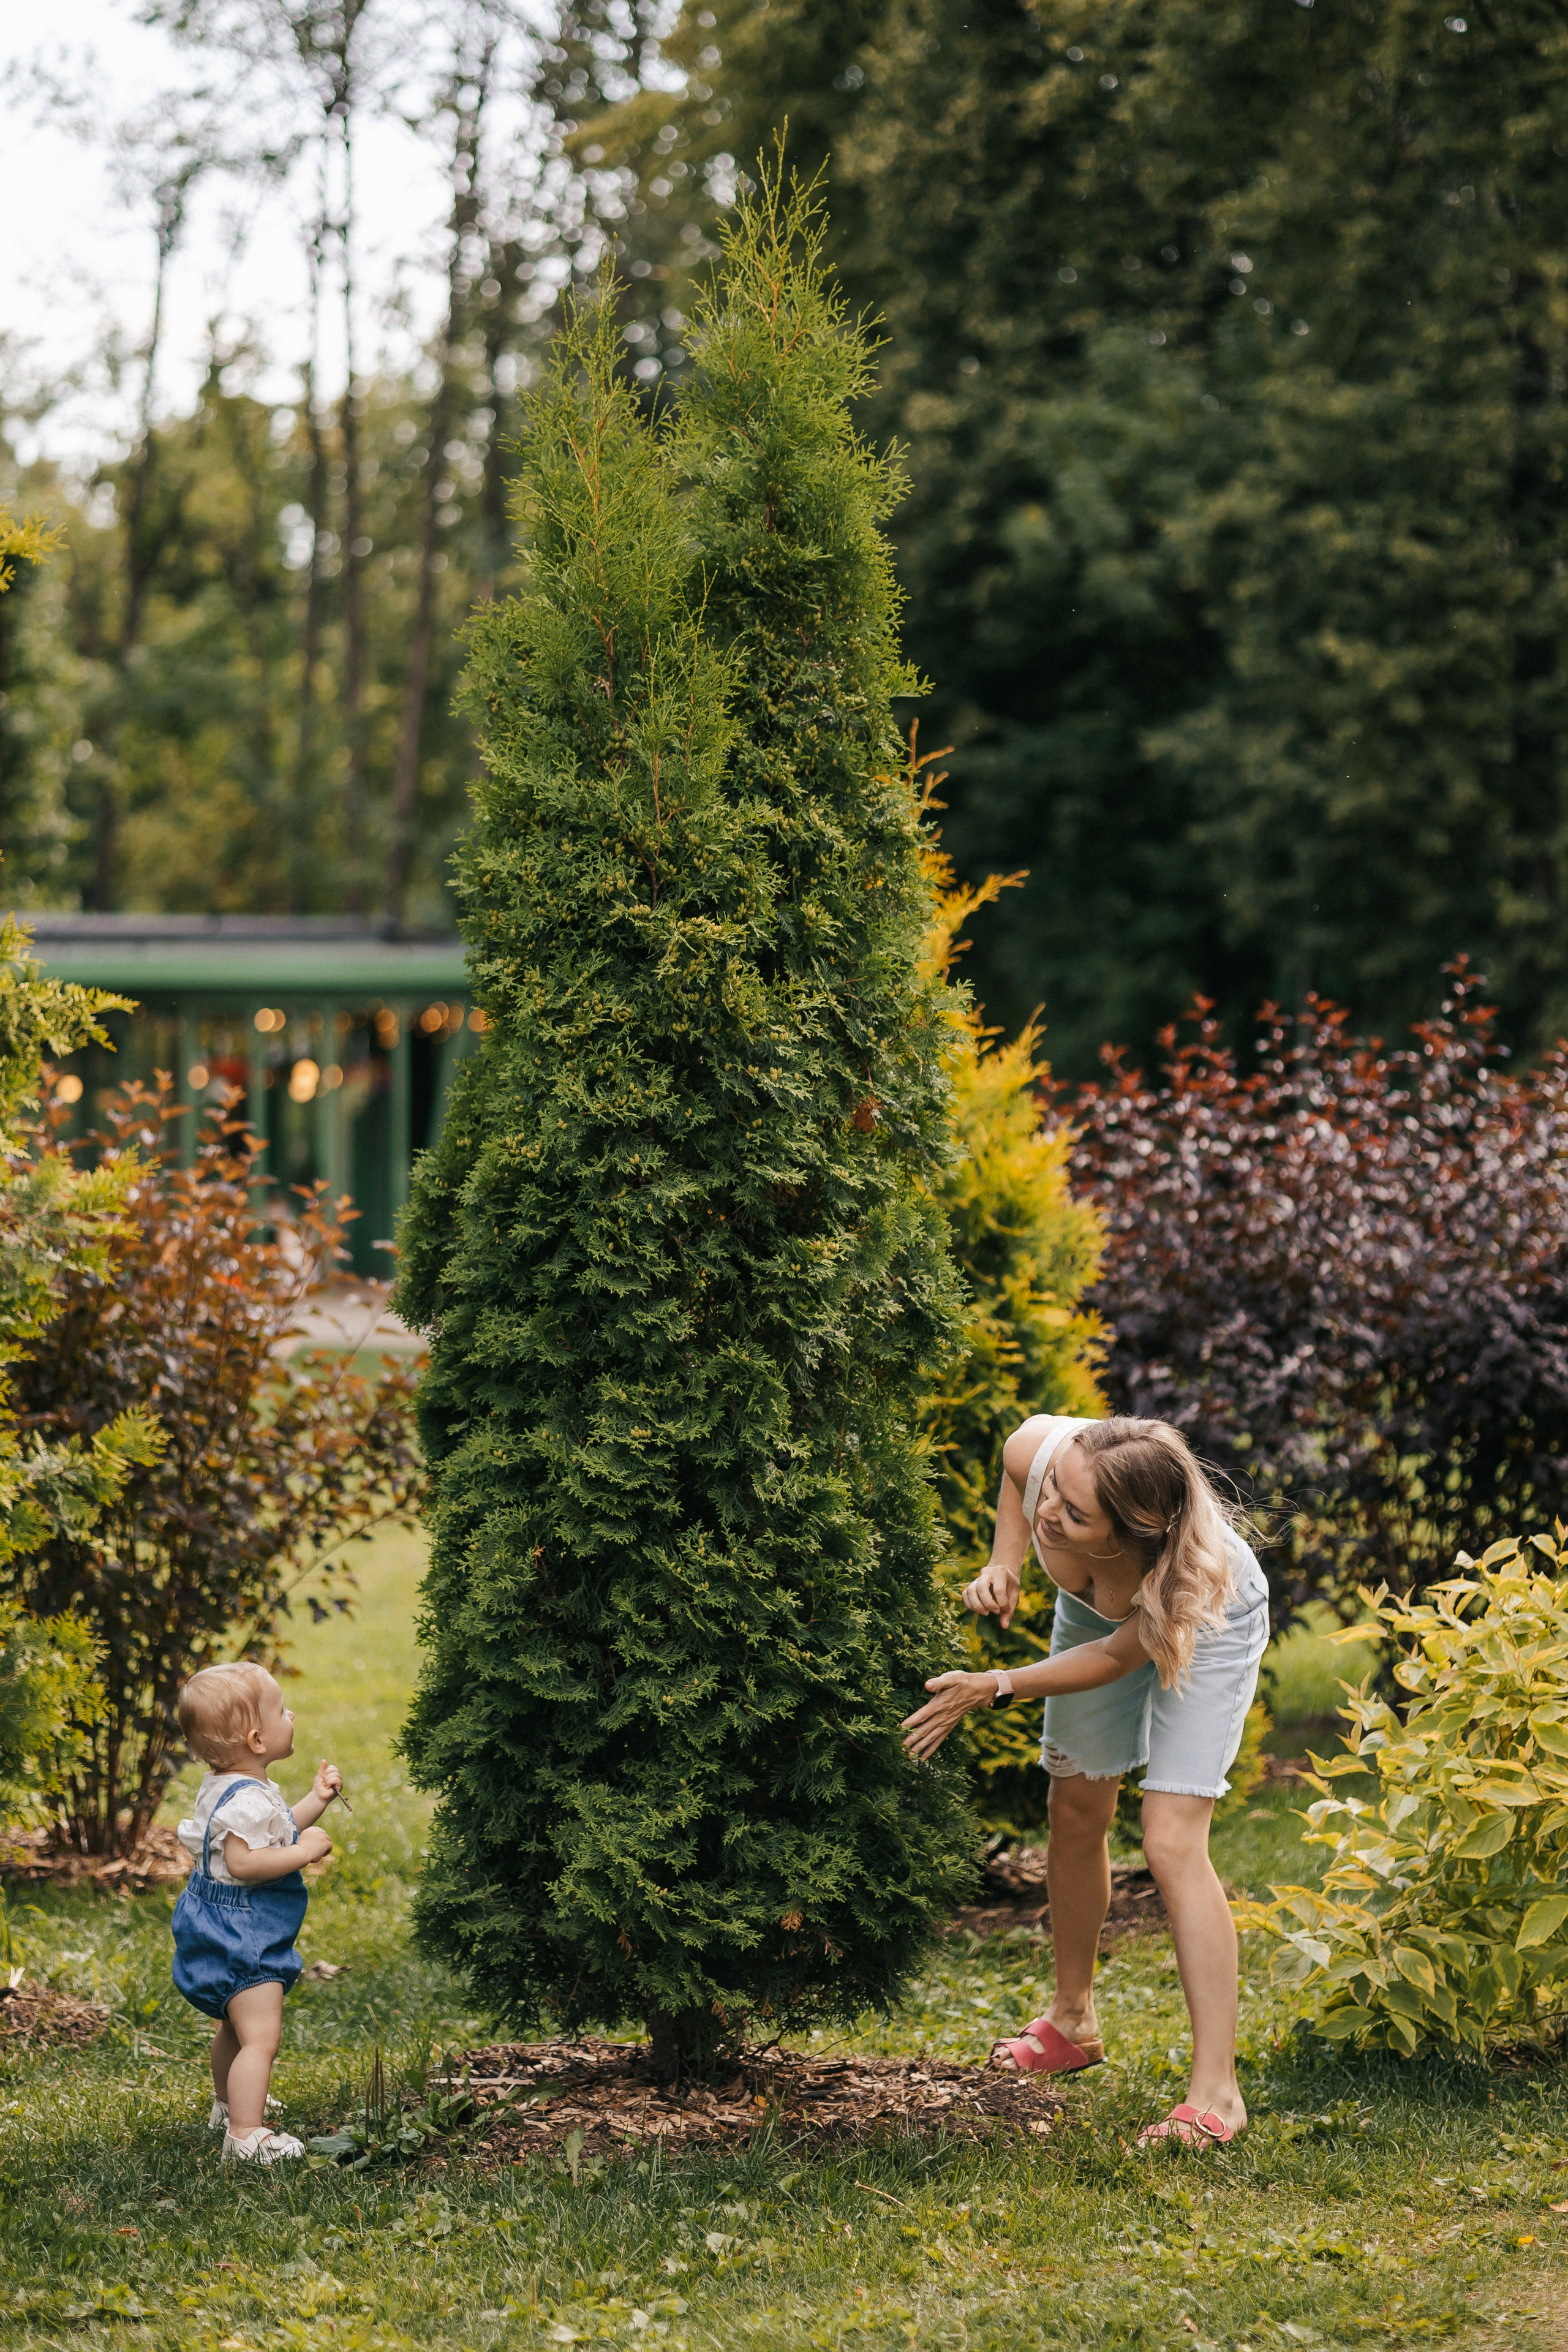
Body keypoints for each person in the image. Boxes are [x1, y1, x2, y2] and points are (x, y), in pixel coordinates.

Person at [902, 1414, 1268, 2147]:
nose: (1049, 1513)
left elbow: (1112, 1659)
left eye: (1073, 1514)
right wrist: (1005, 1561)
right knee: (1073, 1807)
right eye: (1055, 1494)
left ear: (1132, 1531)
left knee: (1169, 1842)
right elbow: (1017, 1476)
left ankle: (1217, 2095)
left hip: (1203, 1624)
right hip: (1089, 1616)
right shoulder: (1047, 1457)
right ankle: (1073, 2020)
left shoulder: (1187, 1572)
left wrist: (998, 1684)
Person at [172, 1662, 345, 2163]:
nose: (291, 1714)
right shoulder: (246, 1799)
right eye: (281, 1709)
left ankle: (229, 2105)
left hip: (212, 1920)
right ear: (255, 1738)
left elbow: (275, 1829)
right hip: (244, 1930)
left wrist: (316, 1801)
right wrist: (307, 1851)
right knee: (260, 2040)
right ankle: (247, 2135)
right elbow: (248, 1863)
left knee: (234, 2025)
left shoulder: (227, 1786)